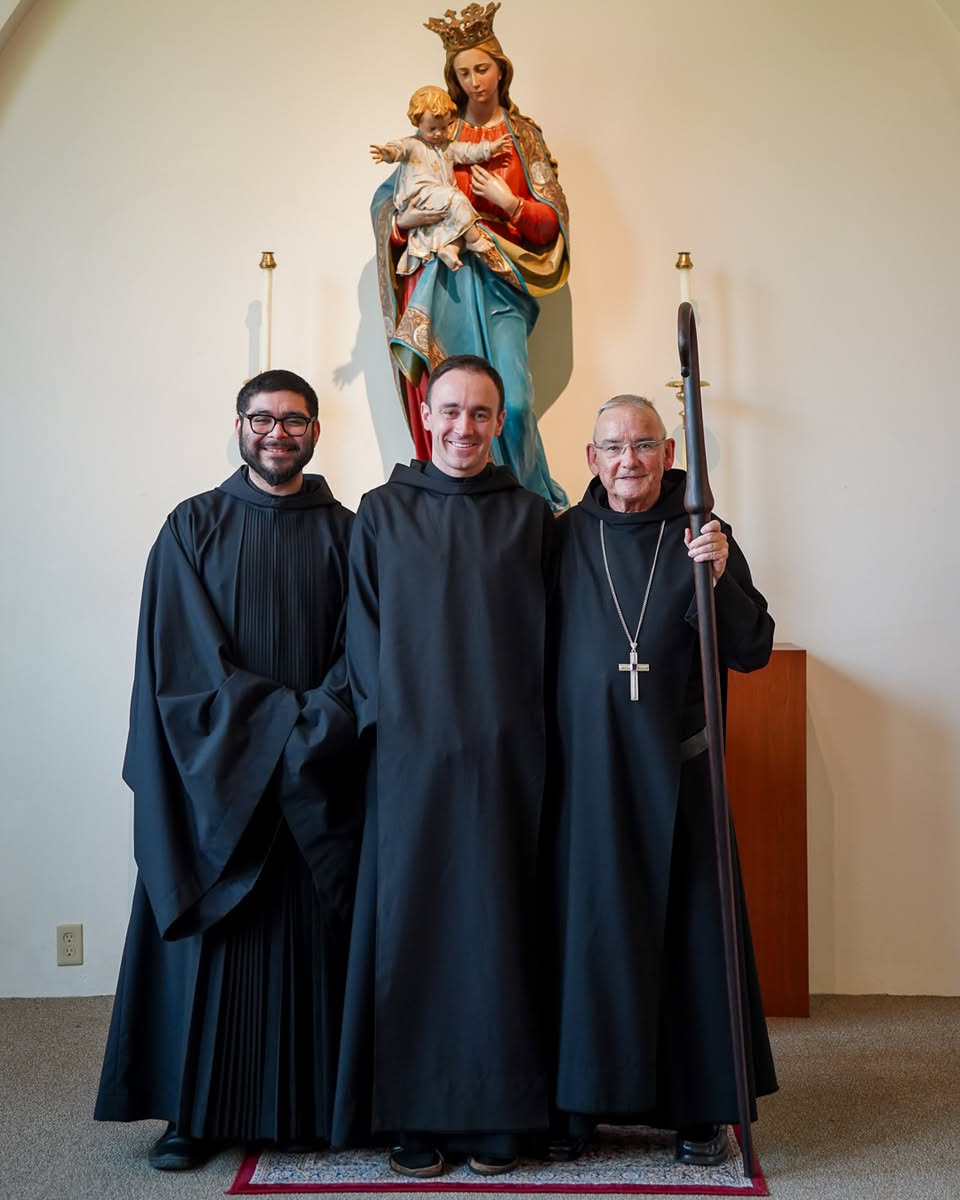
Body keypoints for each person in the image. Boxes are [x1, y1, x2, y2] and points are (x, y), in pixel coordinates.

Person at [95, 370, 362, 1169]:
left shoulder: (350, 533)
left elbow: (366, 655)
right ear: (239, 426)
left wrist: (313, 726)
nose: (277, 433)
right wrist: (278, 725)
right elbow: (178, 660)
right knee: (210, 939)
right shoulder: (191, 527)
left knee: (308, 939)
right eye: (262, 419)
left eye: (294, 421)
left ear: (316, 432)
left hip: (315, 769)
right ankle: (192, 1115)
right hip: (215, 775)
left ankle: (307, 1107)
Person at [332, 355, 555, 1177]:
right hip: (411, 762)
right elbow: (362, 635)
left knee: (498, 931)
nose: (464, 427)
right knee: (416, 931)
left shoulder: (530, 517)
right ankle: (414, 1114)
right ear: (425, 414)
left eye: (481, 414)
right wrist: (392, 733)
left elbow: (555, 638)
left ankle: (500, 1112)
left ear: (501, 423)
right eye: (451, 411)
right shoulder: (381, 513)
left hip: (506, 761)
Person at [547, 395, 778, 1166]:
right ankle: (581, 1101)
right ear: (591, 458)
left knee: (690, 942)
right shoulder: (564, 538)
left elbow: (752, 648)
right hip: (589, 780)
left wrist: (720, 579)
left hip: (680, 772)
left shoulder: (703, 533)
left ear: (669, 452)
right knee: (591, 938)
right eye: (613, 447)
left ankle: (698, 1108)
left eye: (644, 445)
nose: (629, 460)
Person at [372, 2, 569, 511]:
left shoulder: (524, 138)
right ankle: (456, 507)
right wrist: (402, 223)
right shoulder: (438, 133)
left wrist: (510, 203)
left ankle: (526, 509)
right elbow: (389, 204)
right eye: (463, 73)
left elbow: (551, 221)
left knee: (514, 406)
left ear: (501, 69)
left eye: (482, 69)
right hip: (447, 283)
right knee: (448, 406)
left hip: (503, 283)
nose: (474, 82)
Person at [370, 85, 510, 273]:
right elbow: (399, 148)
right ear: (418, 123)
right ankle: (474, 240)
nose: (438, 133)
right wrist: (389, 153)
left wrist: (491, 148)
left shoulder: (447, 147)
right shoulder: (413, 145)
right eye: (432, 128)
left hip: (440, 199)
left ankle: (449, 250)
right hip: (421, 195)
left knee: (457, 221)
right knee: (457, 200)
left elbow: (469, 151)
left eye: (444, 127)